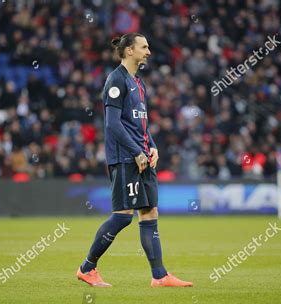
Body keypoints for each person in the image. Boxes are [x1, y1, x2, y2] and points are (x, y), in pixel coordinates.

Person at [76, 33, 193, 288]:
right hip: (125, 158)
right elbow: (113, 125)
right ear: (129, 51)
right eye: (144, 47)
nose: (149, 51)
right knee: (122, 216)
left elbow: (141, 123)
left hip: (142, 156)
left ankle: (159, 276)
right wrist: (136, 151)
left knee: (150, 211)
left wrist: (152, 146)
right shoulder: (115, 81)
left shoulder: (139, 83)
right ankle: (87, 268)